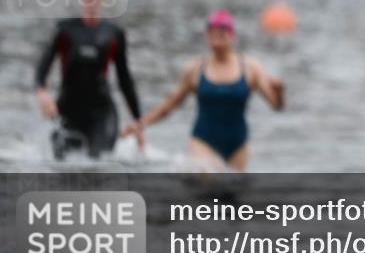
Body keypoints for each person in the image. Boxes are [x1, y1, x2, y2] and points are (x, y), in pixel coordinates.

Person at [121, 10, 284, 172]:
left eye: (222, 35)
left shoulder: (250, 68)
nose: (217, 41)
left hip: (238, 146)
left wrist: (279, 91)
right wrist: (141, 124)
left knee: (234, 193)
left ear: (232, 36)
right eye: (213, 35)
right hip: (203, 142)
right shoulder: (195, 69)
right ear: (207, 37)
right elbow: (169, 106)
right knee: (209, 185)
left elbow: (276, 106)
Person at [36, 0, 143, 159]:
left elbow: (125, 79)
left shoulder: (114, 34)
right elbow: (43, 65)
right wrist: (42, 92)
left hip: (101, 113)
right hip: (68, 110)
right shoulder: (65, 30)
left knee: (97, 164)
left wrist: (138, 121)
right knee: (62, 167)